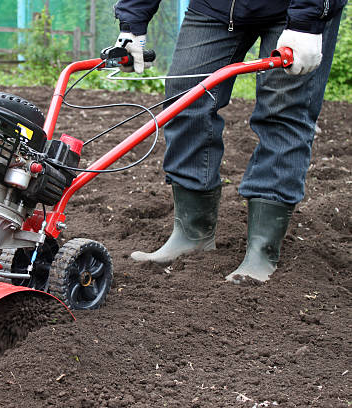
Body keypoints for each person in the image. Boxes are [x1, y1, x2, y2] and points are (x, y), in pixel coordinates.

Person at [114, 0, 347, 283]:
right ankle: (192, 234)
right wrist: (132, 22)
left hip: (296, 9)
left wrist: (309, 19)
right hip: (216, 7)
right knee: (186, 98)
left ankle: (262, 249)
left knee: (283, 111)